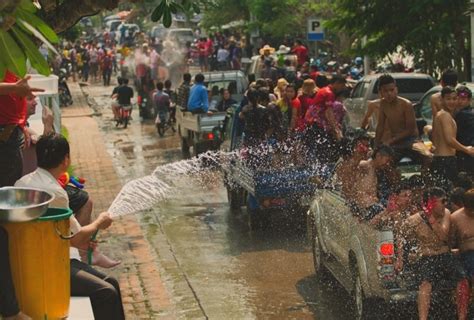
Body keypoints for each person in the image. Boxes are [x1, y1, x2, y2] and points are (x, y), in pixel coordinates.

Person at [14, 133, 125, 320]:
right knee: (107, 293)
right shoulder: (55, 192)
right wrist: (100, 222)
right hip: (49, 268)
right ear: (66, 160)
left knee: (111, 282)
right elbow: (76, 238)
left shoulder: (23, 182)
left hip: (35, 261)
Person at [400, 187, 467, 320]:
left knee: (463, 280)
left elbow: (442, 236)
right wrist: (400, 259)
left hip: (444, 254)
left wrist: (431, 218)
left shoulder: (446, 213)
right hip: (427, 258)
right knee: (425, 284)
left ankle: (462, 317)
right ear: (431, 203)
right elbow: (401, 238)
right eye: (442, 201)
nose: (445, 204)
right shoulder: (413, 220)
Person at [0, 73, 44, 187]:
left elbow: (18, 100)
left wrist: (21, 124)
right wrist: (13, 88)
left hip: (12, 132)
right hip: (4, 134)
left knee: (11, 184)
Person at [431, 86, 474, 190]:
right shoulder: (444, 115)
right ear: (442, 99)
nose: (452, 102)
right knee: (448, 195)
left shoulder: (442, 115)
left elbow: (435, 138)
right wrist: (466, 149)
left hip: (442, 159)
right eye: (448, 99)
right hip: (445, 161)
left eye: (454, 99)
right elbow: (449, 140)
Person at [374, 74, 420, 162]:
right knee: (382, 159)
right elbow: (380, 127)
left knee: (427, 157)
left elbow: (410, 130)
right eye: (385, 91)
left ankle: (424, 175)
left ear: (396, 89)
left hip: (412, 141)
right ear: (380, 92)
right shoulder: (383, 104)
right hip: (395, 143)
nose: (389, 93)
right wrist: (376, 147)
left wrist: (390, 141)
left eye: (391, 90)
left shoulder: (406, 104)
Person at [348, 145, 395, 221]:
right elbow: (357, 165)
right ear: (378, 156)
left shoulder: (376, 171)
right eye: (387, 160)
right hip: (361, 206)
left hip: (371, 206)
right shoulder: (366, 165)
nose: (388, 164)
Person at [451, 189, 474, 320]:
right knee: (463, 283)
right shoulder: (455, 218)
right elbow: (450, 242)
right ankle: (462, 316)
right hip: (465, 257)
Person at [454, 85, 474, 176]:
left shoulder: (462, 115)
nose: (459, 101)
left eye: (463, 98)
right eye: (457, 98)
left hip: (465, 154)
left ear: (469, 100)